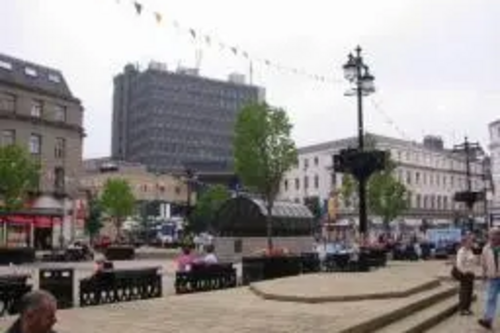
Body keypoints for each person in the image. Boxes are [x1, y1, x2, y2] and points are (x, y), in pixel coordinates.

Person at [478, 228, 500, 329]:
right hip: (493, 277)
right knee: (491, 299)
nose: (492, 237)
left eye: (495, 235)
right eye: (491, 235)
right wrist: (483, 274)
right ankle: (488, 320)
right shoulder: (486, 248)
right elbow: (483, 263)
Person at [456, 234, 476, 315]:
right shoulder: (461, 251)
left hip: (471, 274)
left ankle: (467, 308)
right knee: (464, 292)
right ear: (464, 242)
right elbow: (459, 264)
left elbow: (471, 261)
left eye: (471, 241)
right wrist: (465, 273)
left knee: (469, 292)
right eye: (470, 241)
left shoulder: (470, 250)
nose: (471, 243)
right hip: (465, 275)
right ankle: (462, 309)